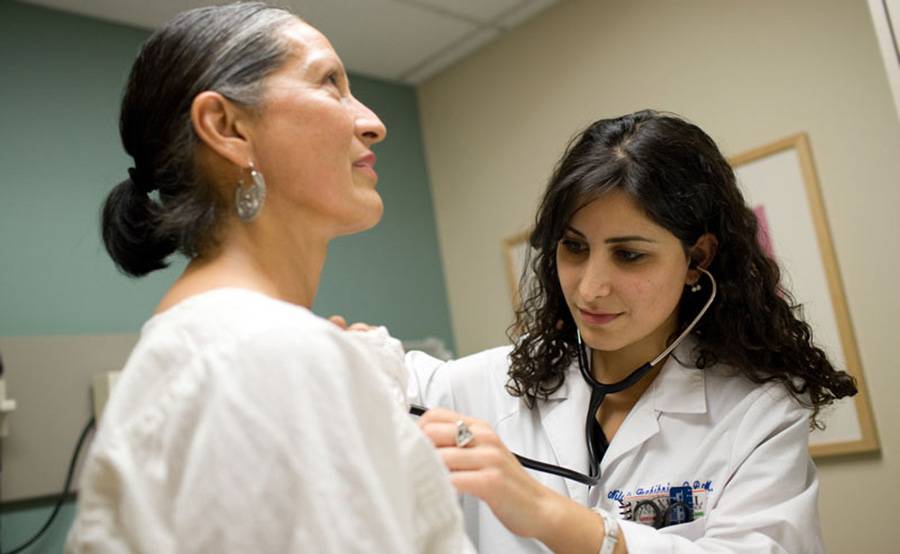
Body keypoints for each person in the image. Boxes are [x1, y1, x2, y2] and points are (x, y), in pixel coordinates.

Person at [65, 3, 473, 553]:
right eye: (330, 83)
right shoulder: (263, 356)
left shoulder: (236, 350)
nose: (373, 123)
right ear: (228, 127)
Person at [406, 110, 858, 553]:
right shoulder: (488, 384)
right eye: (574, 247)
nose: (589, 288)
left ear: (697, 258)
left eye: (629, 255)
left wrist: (556, 519)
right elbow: (371, 380)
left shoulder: (756, 413)